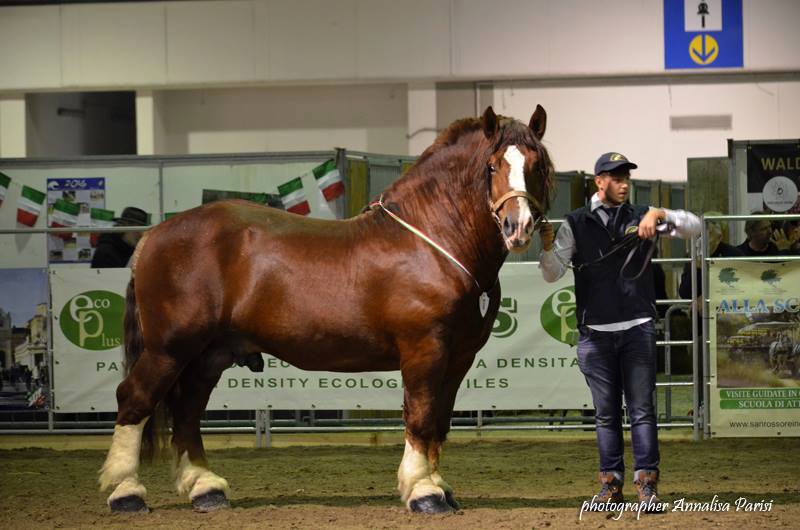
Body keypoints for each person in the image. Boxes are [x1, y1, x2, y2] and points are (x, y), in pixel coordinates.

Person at [538, 152, 701, 511]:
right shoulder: (575, 222)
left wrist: (661, 214)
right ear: (599, 181)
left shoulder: (642, 214)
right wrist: (547, 246)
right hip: (595, 333)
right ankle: (610, 485)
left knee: (643, 410)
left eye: (626, 177)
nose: (624, 183)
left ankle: (647, 485)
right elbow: (551, 273)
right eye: (616, 177)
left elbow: (694, 226)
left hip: (637, 327)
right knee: (606, 413)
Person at [678, 213, 743, 300]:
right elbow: (685, 293)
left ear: (719, 238)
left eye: (707, 234)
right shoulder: (692, 254)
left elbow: (741, 288)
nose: (700, 240)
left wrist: (708, 297)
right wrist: (697, 268)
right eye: (698, 235)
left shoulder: (734, 255)